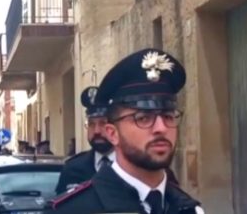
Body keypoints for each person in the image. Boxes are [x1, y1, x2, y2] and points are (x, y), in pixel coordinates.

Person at [51, 49, 203, 213]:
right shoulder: (75, 209)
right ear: (112, 134)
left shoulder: (189, 209)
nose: (161, 128)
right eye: (143, 118)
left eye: (168, 116)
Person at [55, 86, 116, 194]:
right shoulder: (72, 169)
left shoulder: (133, 166)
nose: (96, 131)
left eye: (103, 123)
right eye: (91, 124)